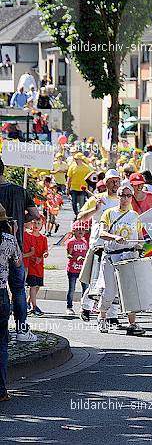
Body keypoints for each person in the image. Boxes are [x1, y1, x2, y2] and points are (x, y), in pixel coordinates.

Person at [97, 181, 146, 336]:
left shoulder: (135, 216)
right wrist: (114, 237)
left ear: (131, 197)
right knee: (110, 292)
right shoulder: (109, 213)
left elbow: (139, 238)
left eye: (128, 195)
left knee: (129, 291)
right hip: (112, 257)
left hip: (129, 256)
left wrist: (142, 247)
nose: (125, 198)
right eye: (122, 195)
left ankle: (132, 323)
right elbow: (102, 233)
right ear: (117, 196)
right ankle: (102, 316)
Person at [0, 158, 39, 342]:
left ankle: (3, 329)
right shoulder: (19, 191)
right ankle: (22, 329)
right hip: (16, 246)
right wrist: (20, 219)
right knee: (18, 289)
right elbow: (35, 214)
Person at [77, 169, 121, 323]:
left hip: (117, 246)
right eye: (112, 181)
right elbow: (80, 217)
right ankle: (86, 306)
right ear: (106, 182)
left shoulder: (123, 201)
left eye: (117, 180)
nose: (115, 184)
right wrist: (95, 209)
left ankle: (112, 315)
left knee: (115, 282)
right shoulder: (97, 199)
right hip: (99, 245)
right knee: (97, 280)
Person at [0, 206, 22, 402]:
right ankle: (1, 390)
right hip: (1, 295)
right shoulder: (8, 239)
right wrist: (13, 234)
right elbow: (17, 263)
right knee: (1, 343)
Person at [23, 217, 48, 316]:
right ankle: (34, 307)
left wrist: (44, 255)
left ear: (42, 225)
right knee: (33, 286)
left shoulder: (43, 238)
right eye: (35, 223)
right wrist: (34, 258)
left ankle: (28, 302)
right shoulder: (28, 236)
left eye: (39, 223)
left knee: (37, 286)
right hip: (31, 265)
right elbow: (28, 250)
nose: (36, 225)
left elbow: (45, 250)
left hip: (40, 266)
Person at [66, 222, 89, 316]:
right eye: (78, 229)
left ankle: (84, 307)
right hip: (72, 268)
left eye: (82, 230)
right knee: (72, 288)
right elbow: (68, 255)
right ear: (74, 231)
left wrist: (84, 259)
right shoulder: (71, 242)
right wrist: (76, 257)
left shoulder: (85, 242)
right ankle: (69, 307)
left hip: (83, 269)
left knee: (85, 289)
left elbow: (87, 254)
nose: (80, 231)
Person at [66, 152, 93, 218]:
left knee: (82, 204)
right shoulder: (72, 167)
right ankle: (77, 214)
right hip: (74, 188)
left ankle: (81, 216)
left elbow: (89, 179)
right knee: (74, 203)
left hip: (82, 188)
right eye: (75, 159)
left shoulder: (86, 168)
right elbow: (69, 178)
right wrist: (68, 188)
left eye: (76, 159)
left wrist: (90, 189)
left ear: (80, 159)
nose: (75, 160)